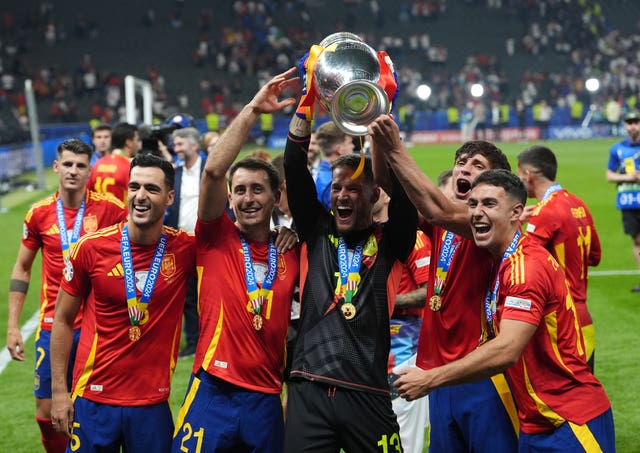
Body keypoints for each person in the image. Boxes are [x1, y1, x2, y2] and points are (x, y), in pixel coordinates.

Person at [395, 169, 615, 452]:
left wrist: (430, 378)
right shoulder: (499, 264)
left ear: (516, 212)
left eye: (489, 204)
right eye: (472, 204)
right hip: (535, 423)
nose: (476, 212)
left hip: (570, 420)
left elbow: (506, 350)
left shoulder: (526, 267)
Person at [171, 69, 300, 453]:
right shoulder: (215, 238)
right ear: (229, 199)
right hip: (213, 389)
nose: (247, 198)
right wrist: (252, 111)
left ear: (276, 197)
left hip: (265, 396)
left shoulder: (292, 249)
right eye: (239, 190)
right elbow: (212, 172)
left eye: (258, 189)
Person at [283, 88, 418, 452]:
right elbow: (294, 168)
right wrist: (307, 100)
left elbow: (406, 194)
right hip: (309, 387)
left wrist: (384, 123)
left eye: (354, 189)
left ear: (375, 196)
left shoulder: (393, 240)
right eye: (338, 187)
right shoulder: (316, 229)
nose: (342, 195)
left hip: (368, 392)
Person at [376, 129, 519, 452]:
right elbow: (388, 187)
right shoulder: (443, 226)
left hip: (481, 375)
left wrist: (395, 145)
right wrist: (375, 131)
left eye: (476, 164)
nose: (464, 168)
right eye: (461, 162)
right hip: (440, 374)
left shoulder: (486, 226)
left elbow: (436, 209)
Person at [50, 153, 195, 453]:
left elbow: (235, 243)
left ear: (170, 197)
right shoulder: (90, 248)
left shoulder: (185, 249)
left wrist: (284, 232)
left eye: (152, 189)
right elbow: (63, 320)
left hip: (151, 404)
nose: (140, 196)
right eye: (134, 187)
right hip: (93, 400)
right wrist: (59, 393)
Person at [5, 138, 126, 453]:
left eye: (80, 165)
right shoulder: (39, 214)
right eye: (68, 164)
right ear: (56, 167)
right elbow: (22, 268)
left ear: (90, 170)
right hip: (52, 323)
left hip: (98, 328)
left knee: (96, 406)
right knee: (47, 414)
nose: (73, 171)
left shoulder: (112, 211)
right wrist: (13, 325)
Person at [517, 145, 601, 371]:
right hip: (584, 317)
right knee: (585, 394)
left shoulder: (547, 209)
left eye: (518, 174)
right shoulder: (578, 203)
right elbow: (594, 257)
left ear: (528, 175)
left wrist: (515, 224)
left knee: (562, 399)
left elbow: (521, 260)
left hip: (561, 321)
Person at [373, 188, 431, 453]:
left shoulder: (414, 239)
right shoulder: (358, 239)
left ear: (388, 196)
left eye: (377, 188)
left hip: (403, 353)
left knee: (404, 440)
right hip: (366, 355)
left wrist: (383, 303)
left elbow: (430, 292)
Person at [165, 126, 206, 358]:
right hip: (182, 242)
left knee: (210, 292)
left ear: (193, 144)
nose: (176, 148)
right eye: (175, 144)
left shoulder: (209, 169)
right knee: (188, 296)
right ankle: (193, 340)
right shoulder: (176, 174)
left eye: (180, 144)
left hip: (207, 242)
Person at [606, 109, 640, 292]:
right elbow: (609, 175)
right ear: (625, 126)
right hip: (629, 200)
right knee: (636, 241)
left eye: (636, 122)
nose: (633, 126)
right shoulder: (617, 149)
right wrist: (628, 177)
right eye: (630, 122)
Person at [88, 122, 140, 203]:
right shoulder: (128, 166)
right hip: (121, 214)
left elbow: (87, 194)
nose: (138, 144)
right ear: (129, 142)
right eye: (137, 140)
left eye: (106, 137)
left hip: (99, 213)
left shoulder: (98, 164)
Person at [313, 121, 355, 210]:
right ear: (339, 149)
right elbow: (341, 219)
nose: (353, 147)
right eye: (350, 142)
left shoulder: (319, 173)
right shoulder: (332, 183)